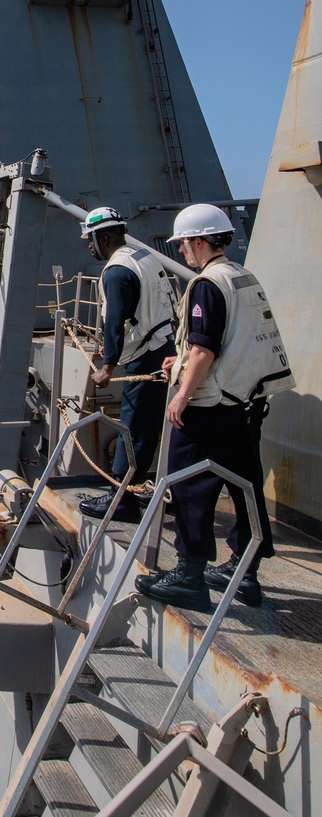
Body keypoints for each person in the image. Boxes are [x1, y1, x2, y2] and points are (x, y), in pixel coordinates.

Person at [135, 204, 294, 611]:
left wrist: (182, 395)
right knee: (246, 484)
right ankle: (245, 571)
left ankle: (189, 576)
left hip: (213, 406)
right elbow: (234, 339)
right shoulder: (243, 276)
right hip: (248, 402)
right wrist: (181, 360)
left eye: (185, 244)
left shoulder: (206, 284)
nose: (183, 252)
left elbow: (205, 347)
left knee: (188, 485)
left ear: (200, 241)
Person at [77, 207, 176, 524]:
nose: (90, 247)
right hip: (164, 346)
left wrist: (107, 367)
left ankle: (120, 498)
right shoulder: (144, 256)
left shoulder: (117, 271)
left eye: (90, 241)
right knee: (146, 428)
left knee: (132, 427)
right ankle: (137, 490)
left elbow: (116, 321)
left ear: (103, 238)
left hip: (145, 356)